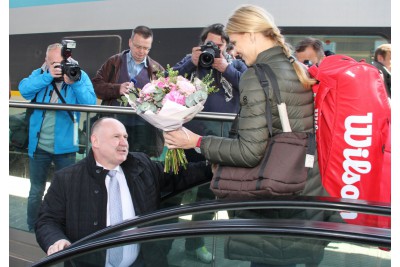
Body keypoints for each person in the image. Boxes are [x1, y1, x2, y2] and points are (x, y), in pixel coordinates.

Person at [165, 5, 339, 267]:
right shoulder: (295, 67)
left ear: (252, 34)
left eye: (235, 42)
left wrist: (196, 141)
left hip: (271, 198)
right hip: (302, 190)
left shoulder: (257, 77)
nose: (235, 51)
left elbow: (249, 152)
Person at [35, 117, 212, 266]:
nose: (124, 142)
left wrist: (215, 166)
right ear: (95, 141)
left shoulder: (141, 165)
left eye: (126, 137)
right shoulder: (67, 179)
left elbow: (179, 176)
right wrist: (56, 240)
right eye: (116, 137)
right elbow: (47, 220)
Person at [171, 23, 247, 263]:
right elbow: (165, 83)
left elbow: (250, 88)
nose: (213, 50)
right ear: (201, 43)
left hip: (218, 143)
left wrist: (226, 69)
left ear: (226, 46)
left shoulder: (235, 64)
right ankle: (162, 244)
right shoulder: (189, 61)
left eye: (219, 45)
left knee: (206, 199)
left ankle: (195, 245)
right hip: (185, 141)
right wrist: (190, 63)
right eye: (209, 45)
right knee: (174, 194)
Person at [19, 43, 97, 232]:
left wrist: (75, 82)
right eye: (53, 62)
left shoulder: (78, 74)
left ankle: (65, 228)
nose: (58, 67)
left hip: (66, 147)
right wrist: (47, 77)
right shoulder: (40, 73)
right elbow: (24, 90)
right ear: (45, 60)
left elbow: (90, 102)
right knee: (36, 191)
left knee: (69, 191)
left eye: (61, 62)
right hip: (38, 146)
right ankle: (32, 228)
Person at [92, 25, 165, 157]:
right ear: (130, 42)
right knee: (111, 159)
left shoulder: (157, 69)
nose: (141, 51)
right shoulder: (114, 62)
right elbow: (96, 86)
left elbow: (165, 100)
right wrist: (117, 89)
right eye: (138, 46)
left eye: (146, 48)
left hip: (144, 128)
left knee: (139, 163)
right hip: (114, 124)